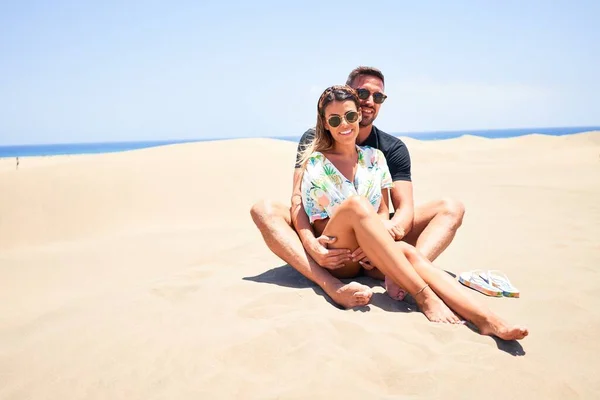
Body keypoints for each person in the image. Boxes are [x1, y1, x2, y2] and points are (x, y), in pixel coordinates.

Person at [297, 84, 528, 340]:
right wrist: (350, 239)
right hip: (337, 256)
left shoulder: (375, 157)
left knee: (411, 255)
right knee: (357, 205)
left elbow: (383, 211)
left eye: (350, 116)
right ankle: (423, 296)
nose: (345, 124)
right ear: (326, 124)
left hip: (369, 253)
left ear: (358, 116)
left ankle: (488, 320)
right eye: (335, 119)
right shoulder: (316, 162)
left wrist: (375, 239)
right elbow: (317, 219)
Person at [250, 66, 465, 309]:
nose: (370, 101)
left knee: (451, 208)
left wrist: (382, 234)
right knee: (264, 209)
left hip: (377, 232)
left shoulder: (390, 149)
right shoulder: (315, 141)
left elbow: (404, 208)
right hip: (332, 236)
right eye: (363, 93)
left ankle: (399, 274)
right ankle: (329, 284)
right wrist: (311, 243)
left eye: (378, 96)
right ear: (349, 94)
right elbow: (298, 198)